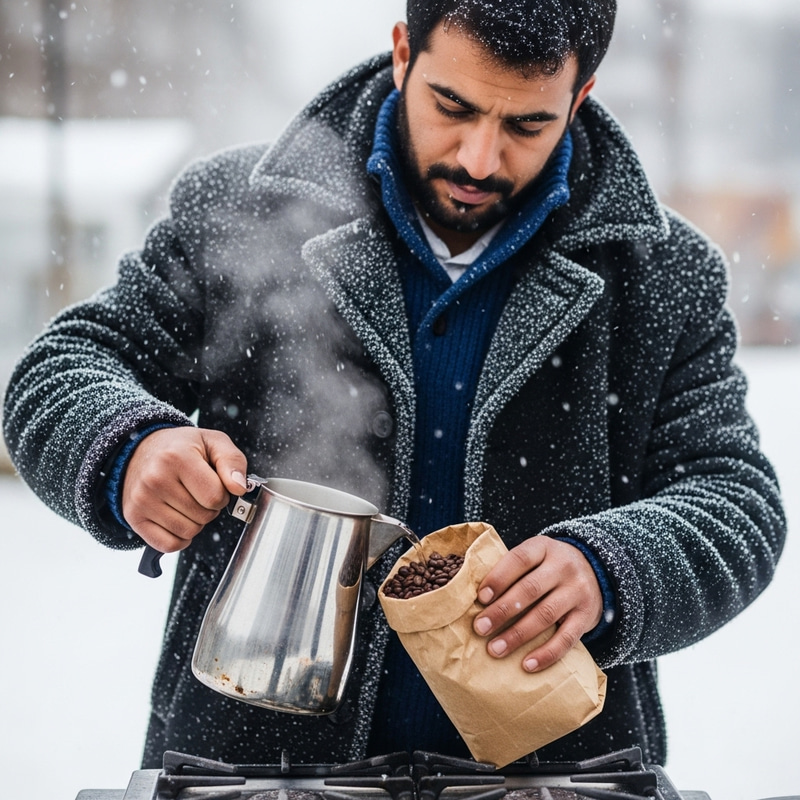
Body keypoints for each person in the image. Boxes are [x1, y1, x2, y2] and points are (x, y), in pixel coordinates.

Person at [2, 0, 786, 771]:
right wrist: (130, 448)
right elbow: (61, 369)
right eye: (453, 105)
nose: (480, 159)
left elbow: (735, 499)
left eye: (526, 126)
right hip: (251, 771)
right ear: (404, 51)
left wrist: (611, 567)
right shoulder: (238, 207)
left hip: (557, 776)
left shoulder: (661, 270)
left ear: (580, 97)